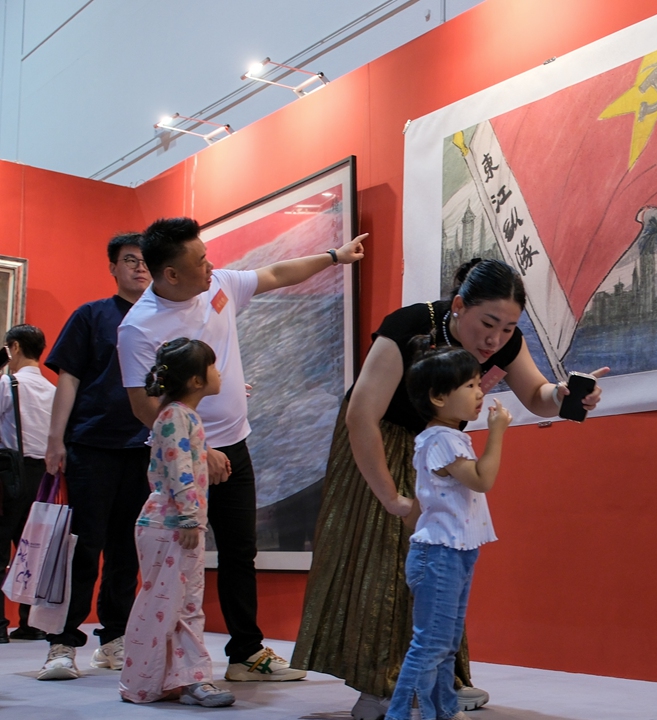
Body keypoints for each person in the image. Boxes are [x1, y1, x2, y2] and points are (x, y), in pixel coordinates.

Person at [292, 259, 605, 720]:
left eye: (508, 327)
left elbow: (536, 396)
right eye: (487, 324)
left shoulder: (504, 343)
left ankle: (439, 680)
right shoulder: (409, 326)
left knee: (444, 568)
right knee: (384, 561)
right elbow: (362, 416)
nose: (494, 340)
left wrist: (562, 395)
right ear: (459, 307)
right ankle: (382, 685)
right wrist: (392, 498)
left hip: (439, 449)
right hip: (380, 440)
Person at [117, 217, 366, 682]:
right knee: (178, 558)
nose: (211, 266)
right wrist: (197, 448)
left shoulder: (220, 284)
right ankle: (163, 664)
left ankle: (245, 654)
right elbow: (142, 404)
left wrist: (335, 256)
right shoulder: (138, 328)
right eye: (200, 260)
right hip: (182, 462)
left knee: (239, 551)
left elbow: (276, 274)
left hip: (235, 445)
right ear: (170, 274)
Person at [37, 233, 151, 679]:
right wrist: (55, 440)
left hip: (144, 450)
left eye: (145, 261)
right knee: (84, 547)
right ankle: (62, 643)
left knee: (128, 550)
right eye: (129, 260)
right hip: (91, 446)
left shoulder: (164, 320)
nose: (139, 268)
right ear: (113, 268)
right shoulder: (92, 315)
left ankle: (115, 638)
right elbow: (69, 378)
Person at [385, 342, 511, 720]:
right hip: (439, 554)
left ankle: (443, 709)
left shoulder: (444, 437)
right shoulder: (442, 439)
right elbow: (482, 480)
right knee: (430, 645)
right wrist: (498, 431)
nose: (479, 393)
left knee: (444, 643)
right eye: (470, 386)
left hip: (452, 552)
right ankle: (398, 714)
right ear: (438, 397)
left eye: (478, 383)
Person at [119, 338, 234, 707]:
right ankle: (179, 681)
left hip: (177, 525)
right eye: (213, 368)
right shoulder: (175, 417)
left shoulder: (178, 415)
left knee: (181, 605)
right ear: (197, 381)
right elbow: (177, 467)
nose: (219, 373)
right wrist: (187, 518)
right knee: (170, 605)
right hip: (171, 526)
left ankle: (182, 680)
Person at [0, 325, 56, 644]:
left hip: (10, 470)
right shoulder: (52, 389)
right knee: (33, 549)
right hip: (44, 475)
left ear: (15, 347)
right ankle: (31, 622)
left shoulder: (9, 384)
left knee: (0, 545)